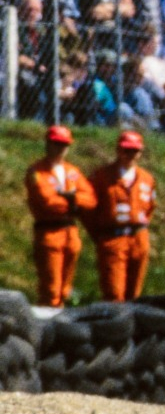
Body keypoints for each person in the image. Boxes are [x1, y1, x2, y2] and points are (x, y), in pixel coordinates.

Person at [25, 125, 97, 308]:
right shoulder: (37, 171)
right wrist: (74, 203)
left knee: (65, 288)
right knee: (51, 289)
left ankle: (61, 322)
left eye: (64, 145)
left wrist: (72, 199)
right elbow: (46, 201)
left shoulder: (72, 171)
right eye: (56, 144)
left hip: (70, 232)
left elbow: (91, 199)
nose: (60, 149)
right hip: (49, 232)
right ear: (48, 144)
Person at [86, 130, 157, 301]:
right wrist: (100, 234)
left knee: (135, 294)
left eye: (135, 151)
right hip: (113, 238)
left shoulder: (146, 178)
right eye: (126, 150)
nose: (130, 155)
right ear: (118, 150)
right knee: (114, 293)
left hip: (139, 238)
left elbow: (150, 208)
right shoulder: (102, 176)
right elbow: (88, 209)